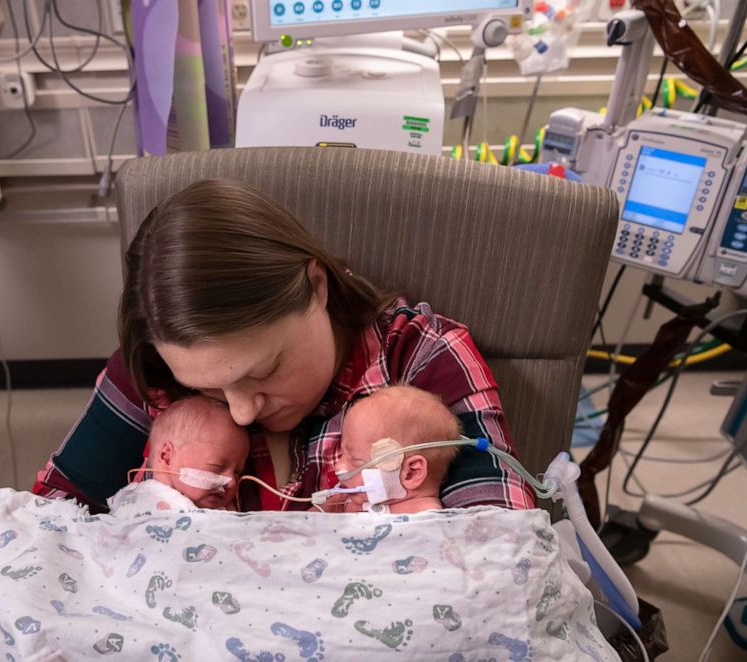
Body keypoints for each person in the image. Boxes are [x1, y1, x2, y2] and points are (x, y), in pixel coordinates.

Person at [33, 178, 535, 512]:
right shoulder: (157, 368)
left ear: (316, 287)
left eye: (262, 372)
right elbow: (47, 519)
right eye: (208, 390)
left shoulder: (423, 362)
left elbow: (497, 554)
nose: (243, 413)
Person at [107, 396, 248, 517]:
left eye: (237, 473)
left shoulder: (226, 515)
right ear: (166, 456)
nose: (232, 483)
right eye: (217, 467)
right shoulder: (137, 505)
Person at [333, 385, 460, 514]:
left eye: (355, 460)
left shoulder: (425, 519)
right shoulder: (345, 501)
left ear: (411, 473)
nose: (338, 466)